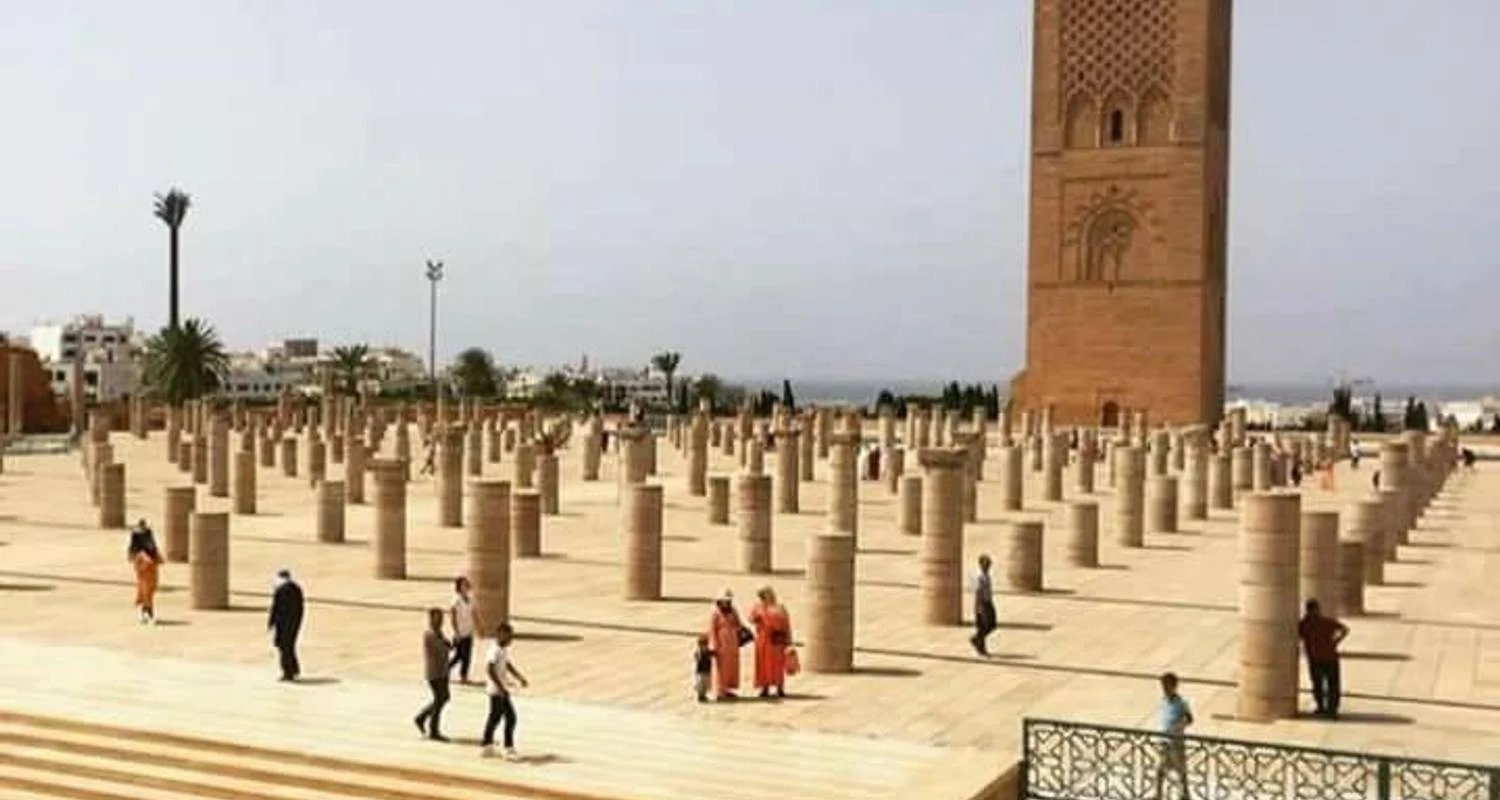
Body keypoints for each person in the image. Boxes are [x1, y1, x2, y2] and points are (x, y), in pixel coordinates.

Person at [480, 622, 529, 760]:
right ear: (501, 634)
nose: (511, 639)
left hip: (501, 690)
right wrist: (501, 688)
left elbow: (507, 664)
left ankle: (487, 746)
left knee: (498, 718)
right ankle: (507, 748)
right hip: (496, 691)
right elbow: (489, 669)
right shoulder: (494, 650)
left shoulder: (502, 649)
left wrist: (519, 677)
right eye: (509, 636)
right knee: (508, 717)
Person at [1298, 599, 1350, 718]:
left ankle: (1321, 707)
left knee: (1318, 684)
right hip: (1329, 656)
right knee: (1332, 684)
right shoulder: (1324, 621)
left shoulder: (1304, 624)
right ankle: (1332, 709)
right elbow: (1344, 629)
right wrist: (1336, 641)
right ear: (1317, 609)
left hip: (1315, 657)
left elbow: (1298, 636)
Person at [1153, 672, 1193, 800]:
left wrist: (1178, 727)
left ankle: (1185, 794)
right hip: (1164, 741)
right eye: (1163, 686)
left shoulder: (1181, 702)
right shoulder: (1163, 701)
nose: (1164, 689)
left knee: (1180, 769)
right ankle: (1158, 794)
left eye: (1167, 686)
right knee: (1160, 768)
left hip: (1176, 741)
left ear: (1174, 686)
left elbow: (1189, 719)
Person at [414, 607, 452, 741]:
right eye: (437, 618)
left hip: (443, 671)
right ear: (431, 619)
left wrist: (447, 644)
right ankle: (433, 730)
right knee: (440, 698)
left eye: (441, 618)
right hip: (435, 673)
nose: (440, 621)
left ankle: (422, 717)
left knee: (443, 698)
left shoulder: (438, 632)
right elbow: (440, 650)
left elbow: (445, 646)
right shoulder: (429, 634)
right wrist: (447, 646)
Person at [748, 586, 792, 699]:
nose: (763, 598)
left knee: (777, 665)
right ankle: (765, 687)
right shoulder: (757, 607)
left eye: (764, 595)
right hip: (763, 640)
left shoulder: (780, 607)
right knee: (763, 665)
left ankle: (779, 687)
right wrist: (755, 618)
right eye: (761, 596)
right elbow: (751, 619)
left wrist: (788, 640)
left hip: (776, 640)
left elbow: (787, 624)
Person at [706, 589, 747, 701]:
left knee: (731, 667)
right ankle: (720, 690)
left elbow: (738, 624)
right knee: (721, 668)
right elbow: (712, 629)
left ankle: (727, 689)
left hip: (732, 642)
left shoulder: (733, 611)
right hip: (721, 643)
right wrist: (713, 645)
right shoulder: (716, 613)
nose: (725, 603)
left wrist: (742, 632)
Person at [268, 569, 305, 682]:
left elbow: (276, 609)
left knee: (284, 647)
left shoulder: (281, 590)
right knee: (289, 646)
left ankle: (288, 671)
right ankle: (294, 669)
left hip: (283, 625)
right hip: (294, 623)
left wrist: (272, 623)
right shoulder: (296, 589)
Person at [127, 520, 164, 624]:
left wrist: (158, 555)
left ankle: (146, 611)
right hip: (142, 565)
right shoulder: (136, 535)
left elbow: (153, 546)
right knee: (145, 589)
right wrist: (143, 557)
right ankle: (145, 612)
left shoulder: (148, 533)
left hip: (151, 565)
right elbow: (135, 550)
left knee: (151, 588)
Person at [449, 576, 479, 683]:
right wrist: (456, 632)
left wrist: (478, 627)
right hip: (460, 633)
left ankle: (464, 676)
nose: (466, 586)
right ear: (459, 587)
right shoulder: (456, 601)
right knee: (459, 655)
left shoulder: (470, 599)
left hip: (469, 631)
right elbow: (453, 617)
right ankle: (444, 670)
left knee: (467, 656)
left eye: (467, 584)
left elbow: (474, 614)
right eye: (464, 584)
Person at [970, 554, 997, 657]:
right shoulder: (978, 576)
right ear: (981, 564)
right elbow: (977, 592)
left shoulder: (986, 575)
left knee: (992, 625)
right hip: (982, 603)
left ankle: (976, 639)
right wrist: (978, 607)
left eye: (989, 564)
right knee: (982, 626)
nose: (988, 566)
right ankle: (980, 647)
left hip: (988, 601)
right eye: (986, 564)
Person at [692, 634, 713, 703]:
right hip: (700, 671)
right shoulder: (698, 652)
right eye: (703, 645)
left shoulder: (707, 651)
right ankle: (700, 695)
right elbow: (696, 658)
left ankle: (703, 695)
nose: (705, 647)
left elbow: (713, 654)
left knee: (705, 684)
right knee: (700, 684)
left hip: (706, 670)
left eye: (706, 645)